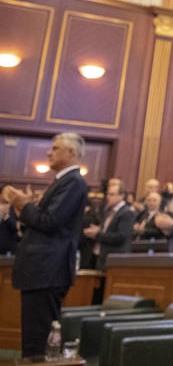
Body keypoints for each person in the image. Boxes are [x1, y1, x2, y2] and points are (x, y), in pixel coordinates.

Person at [1, 133, 88, 360]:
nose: (49, 152)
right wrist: (28, 208)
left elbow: (50, 222)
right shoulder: (63, 181)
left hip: (47, 271)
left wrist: (22, 203)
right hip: (41, 271)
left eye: (56, 148)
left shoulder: (74, 182)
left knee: (40, 345)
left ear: (71, 153)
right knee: (34, 339)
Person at [82, 182, 135, 270]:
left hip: (115, 259)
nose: (108, 197)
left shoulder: (126, 213)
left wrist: (97, 234)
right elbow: (108, 230)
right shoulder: (109, 211)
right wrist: (98, 229)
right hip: (102, 256)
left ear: (121, 196)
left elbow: (121, 236)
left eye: (112, 194)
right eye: (108, 194)